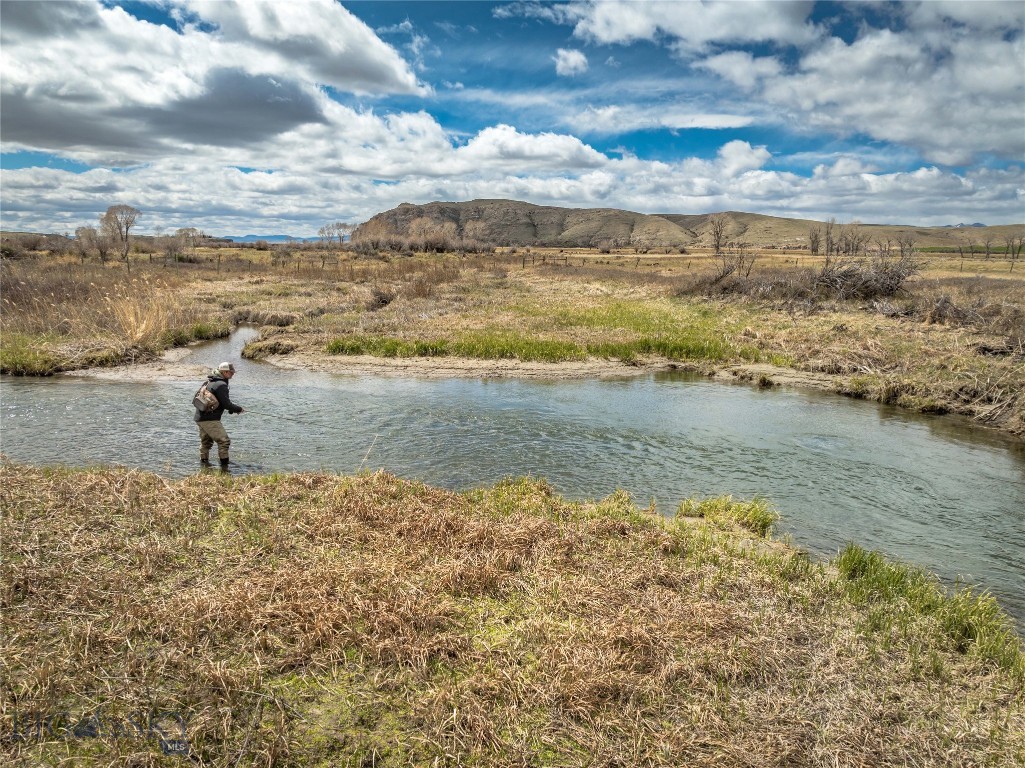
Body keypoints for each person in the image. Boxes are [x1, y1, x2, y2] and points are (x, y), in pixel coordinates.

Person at [195, 361, 244, 468]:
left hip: (200, 417)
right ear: (225, 372)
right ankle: (224, 468)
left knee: (206, 443)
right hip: (210, 419)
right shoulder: (221, 385)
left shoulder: (208, 382)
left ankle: (204, 467)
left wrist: (231, 409)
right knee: (224, 441)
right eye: (231, 372)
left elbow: (221, 403)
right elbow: (226, 404)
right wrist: (238, 409)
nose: (233, 374)